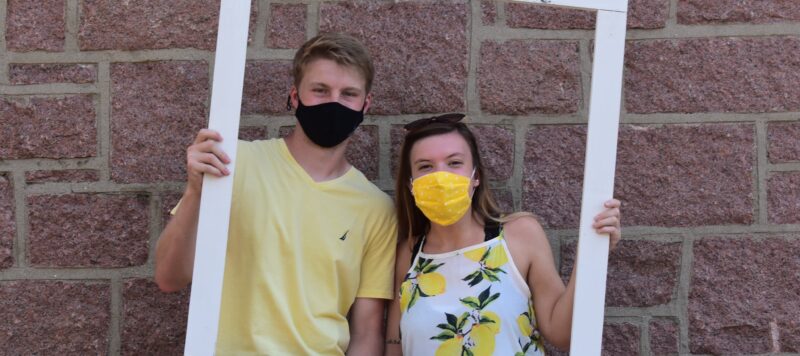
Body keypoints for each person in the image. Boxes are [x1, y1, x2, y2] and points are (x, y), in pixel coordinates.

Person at [154, 33, 397, 355]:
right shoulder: (232, 165)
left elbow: (366, 333)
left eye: (348, 94)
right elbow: (170, 277)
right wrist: (196, 191)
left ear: (365, 105)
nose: (334, 102)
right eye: (320, 90)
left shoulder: (376, 208)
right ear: (295, 97)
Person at [385, 113, 622, 355]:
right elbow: (395, 346)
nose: (441, 177)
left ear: (475, 176)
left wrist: (592, 253)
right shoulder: (409, 254)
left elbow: (560, 334)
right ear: (411, 184)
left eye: (454, 163)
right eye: (426, 167)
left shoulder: (520, 235)